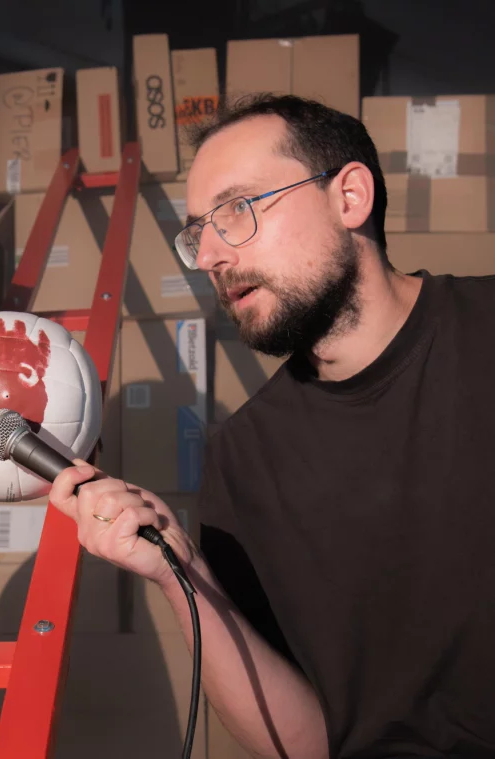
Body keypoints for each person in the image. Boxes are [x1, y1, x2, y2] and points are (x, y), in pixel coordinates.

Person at [50, 94, 495, 758]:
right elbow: (309, 741)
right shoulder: (244, 460)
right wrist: (180, 571)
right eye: (198, 228)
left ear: (350, 197)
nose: (208, 256)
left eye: (237, 209)